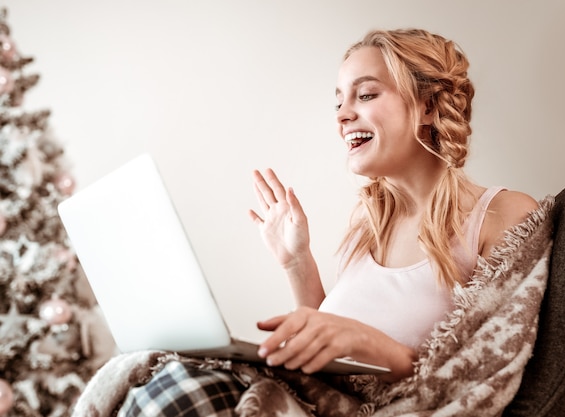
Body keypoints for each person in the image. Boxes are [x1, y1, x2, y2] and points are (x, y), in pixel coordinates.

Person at [115, 28, 539, 416]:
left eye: (365, 95)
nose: (342, 114)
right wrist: (297, 262)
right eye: (338, 100)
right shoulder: (369, 228)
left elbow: (483, 376)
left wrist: (374, 346)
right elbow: (332, 360)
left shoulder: (502, 216)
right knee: (157, 380)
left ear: (427, 105)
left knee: (179, 394)